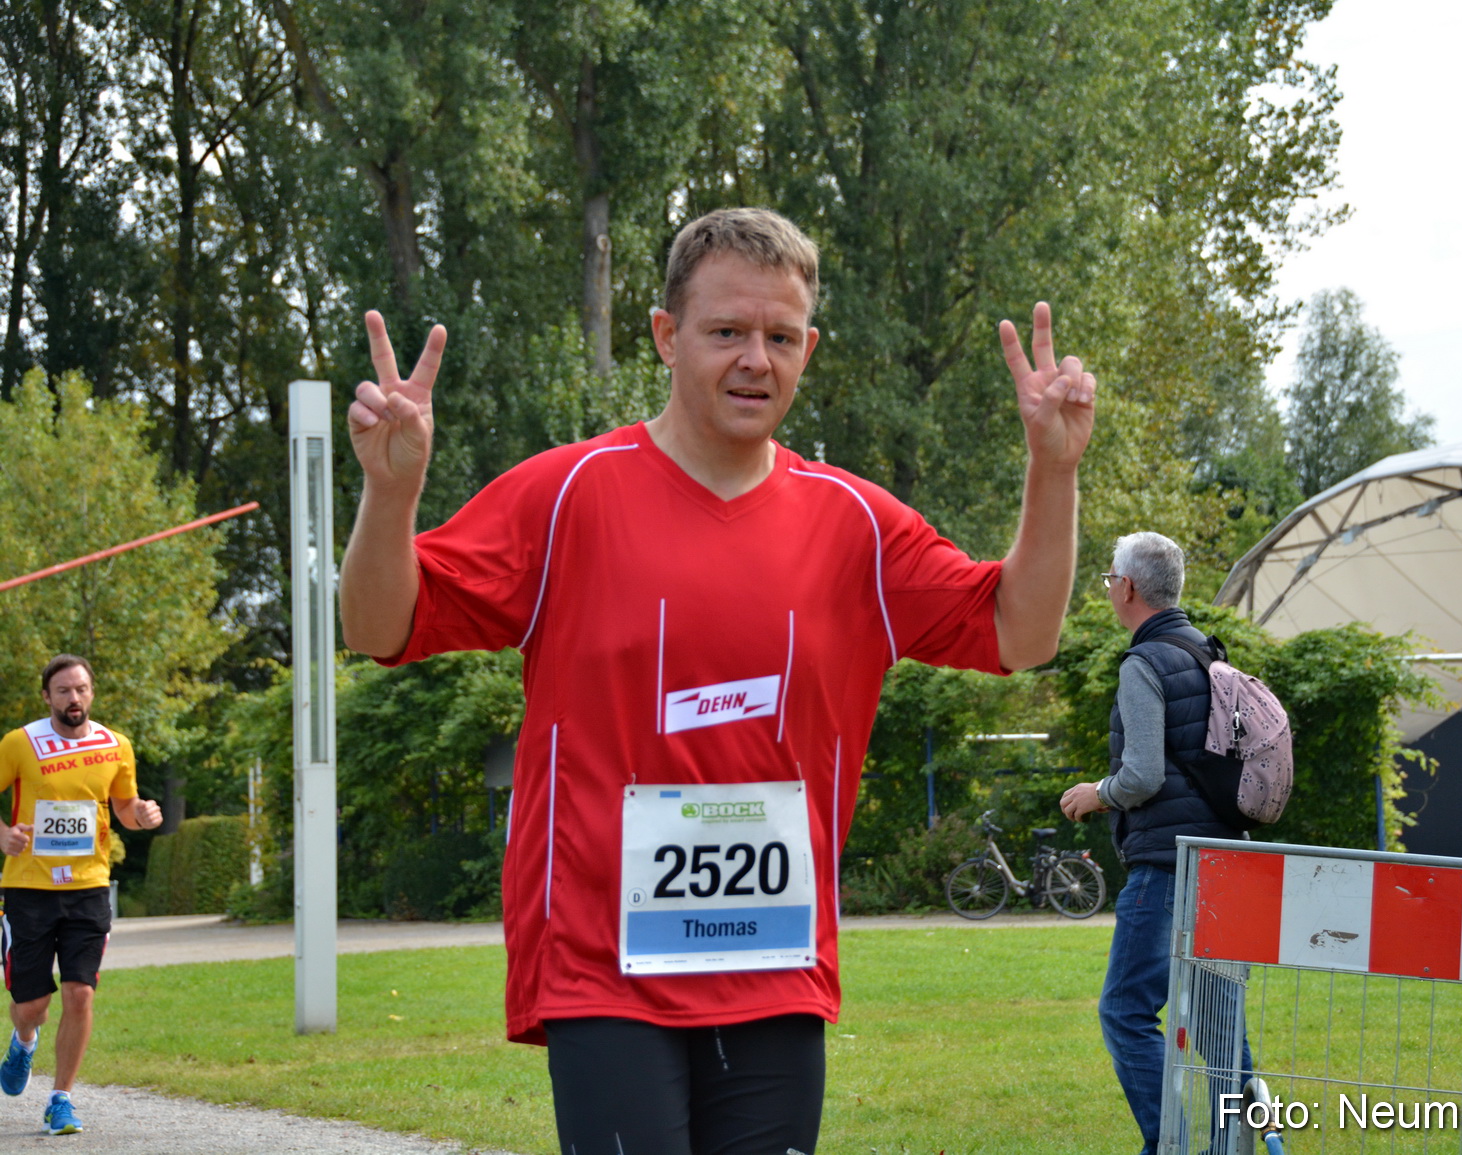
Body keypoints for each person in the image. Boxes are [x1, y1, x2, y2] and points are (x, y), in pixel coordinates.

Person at [339, 207, 1096, 1155]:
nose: (755, 360)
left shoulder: (856, 524)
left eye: (780, 337)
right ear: (665, 335)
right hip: (601, 963)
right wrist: (391, 493)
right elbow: (377, 624)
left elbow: (1020, 634)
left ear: (808, 349)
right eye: (727, 331)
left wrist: (1053, 471)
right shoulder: (565, 494)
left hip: (773, 961)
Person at [1058, 531, 1251, 1155]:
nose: (1110, 588)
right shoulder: (1208, 652)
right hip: (1227, 864)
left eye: (1111, 578)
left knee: (1125, 1012)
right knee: (1222, 1026)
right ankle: (1234, 1148)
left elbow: (1142, 775)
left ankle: (1166, 1144)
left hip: (1168, 865)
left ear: (1128, 588)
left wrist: (1098, 793)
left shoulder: (1144, 663)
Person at [0, 654, 163, 1135]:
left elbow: (125, 805)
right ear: (47, 696)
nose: (75, 699)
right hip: (28, 889)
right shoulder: (20, 744)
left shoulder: (115, 745)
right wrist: (3, 835)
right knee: (33, 1005)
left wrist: (143, 816)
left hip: (89, 887)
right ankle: (23, 1041)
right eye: (65, 691)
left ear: (92, 692)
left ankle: (61, 1099)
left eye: (82, 689)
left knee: (79, 993)